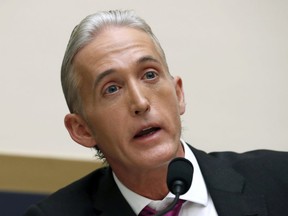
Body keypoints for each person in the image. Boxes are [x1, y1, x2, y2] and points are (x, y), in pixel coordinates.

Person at [24, 10, 288, 216]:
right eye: (112, 88)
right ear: (82, 130)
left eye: (149, 75)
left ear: (178, 94)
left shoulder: (279, 180)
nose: (140, 102)